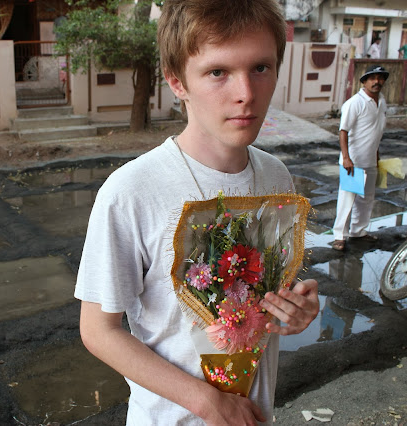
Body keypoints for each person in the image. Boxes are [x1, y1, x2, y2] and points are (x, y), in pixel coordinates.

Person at [74, 1, 320, 424]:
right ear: (177, 82)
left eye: (260, 67)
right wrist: (207, 402)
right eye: (218, 72)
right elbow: (99, 330)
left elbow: (257, 295)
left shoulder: (276, 176)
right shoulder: (131, 190)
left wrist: (295, 309)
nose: (246, 93)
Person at [331, 65, 388, 251]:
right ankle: (340, 236)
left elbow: (375, 132)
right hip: (353, 162)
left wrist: (377, 157)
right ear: (364, 82)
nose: (377, 81)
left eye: (380, 78)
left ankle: (358, 231)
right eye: (372, 78)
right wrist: (346, 158)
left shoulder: (382, 102)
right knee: (348, 199)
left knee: (367, 199)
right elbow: (343, 131)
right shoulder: (355, 103)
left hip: (370, 160)